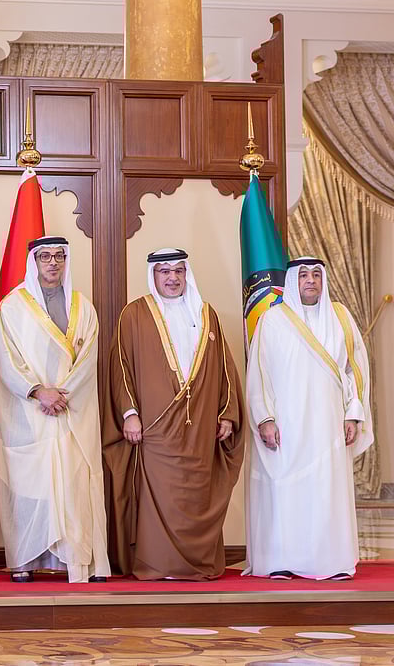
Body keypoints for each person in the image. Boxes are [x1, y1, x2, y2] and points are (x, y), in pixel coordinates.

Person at [105, 248, 244, 580]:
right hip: (155, 429)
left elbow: (225, 368)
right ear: (153, 275)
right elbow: (120, 367)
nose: (172, 278)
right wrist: (129, 413)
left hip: (200, 429)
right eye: (164, 271)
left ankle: (197, 563)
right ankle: (159, 564)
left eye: (178, 271)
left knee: (198, 493)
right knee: (160, 496)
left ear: (186, 274)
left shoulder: (206, 314)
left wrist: (227, 413)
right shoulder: (133, 314)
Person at [0, 236, 109, 583]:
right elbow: (6, 360)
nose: (53, 263)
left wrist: (61, 394)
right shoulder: (11, 308)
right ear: (34, 262)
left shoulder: (83, 307)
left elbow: (88, 359)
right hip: (30, 414)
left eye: (59, 256)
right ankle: (26, 561)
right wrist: (39, 392)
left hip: (71, 412)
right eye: (45, 257)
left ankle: (79, 561)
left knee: (74, 485)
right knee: (32, 488)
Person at [244, 257, 371, 580]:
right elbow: (259, 373)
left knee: (327, 490)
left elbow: (355, 371)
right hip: (286, 425)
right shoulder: (272, 320)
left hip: (329, 423)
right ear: (292, 281)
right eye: (303, 275)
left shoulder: (341, 318)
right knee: (284, 489)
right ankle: (282, 560)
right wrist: (265, 418)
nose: (310, 280)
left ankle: (330, 562)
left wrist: (353, 414)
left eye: (316, 274)